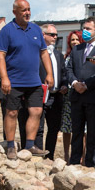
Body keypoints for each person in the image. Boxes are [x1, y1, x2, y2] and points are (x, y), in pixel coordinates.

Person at [0, 0, 53, 160]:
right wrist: (4, 78)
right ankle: (11, 145)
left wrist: (49, 74)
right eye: (23, 10)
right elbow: (0, 55)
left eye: (29, 9)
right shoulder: (7, 31)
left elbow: (44, 53)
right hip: (13, 81)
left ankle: (30, 145)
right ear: (15, 12)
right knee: (12, 112)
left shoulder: (35, 29)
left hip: (34, 81)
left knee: (36, 111)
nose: (27, 13)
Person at [18, 24, 68, 159]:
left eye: (56, 35)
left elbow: (63, 74)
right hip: (39, 95)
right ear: (43, 35)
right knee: (38, 128)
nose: (55, 37)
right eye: (52, 34)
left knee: (53, 128)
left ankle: (49, 156)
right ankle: (38, 155)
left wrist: (64, 85)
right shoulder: (35, 53)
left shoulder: (58, 54)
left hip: (56, 97)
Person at [66, 17, 95, 167]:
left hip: (93, 96)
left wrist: (87, 85)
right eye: (84, 28)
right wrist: (75, 83)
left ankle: (90, 164)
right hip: (77, 96)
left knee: (92, 134)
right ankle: (74, 162)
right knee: (76, 132)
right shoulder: (77, 49)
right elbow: (69, 68)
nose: (85, 31)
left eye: (88, 29)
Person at [61, 31, 82, 161]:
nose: (74, 42)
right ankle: (66, 154)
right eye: (72, 40)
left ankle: (82, 157)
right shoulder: (66, 57)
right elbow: (64, 74)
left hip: (81, 92)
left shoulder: (85, 55)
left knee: (81, 129)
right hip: (68, 96)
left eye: (77, 39)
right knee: (66, 127)